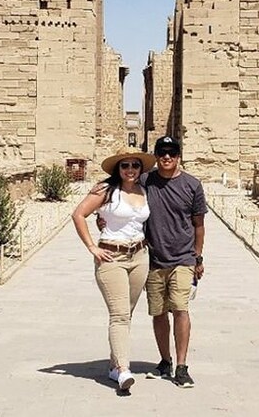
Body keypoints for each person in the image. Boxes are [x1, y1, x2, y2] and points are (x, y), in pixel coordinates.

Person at [71, 146, 156, 393]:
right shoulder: (105, 190)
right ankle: (123, 371)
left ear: (141, 168)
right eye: (125, 165)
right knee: (118, 315)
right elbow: (78, 214)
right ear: (118, 168)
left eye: (135, 165)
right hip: (111, 257)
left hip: (139, 256)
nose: (130, 169)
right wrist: (91, 247)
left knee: (126, 314)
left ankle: (113, 365)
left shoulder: (144, 190)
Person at [142, 136, 207, 388]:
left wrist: (198, 257)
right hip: (155, 258)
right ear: (156, 155)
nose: (166, 157)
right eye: (162, 152)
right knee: (158, 313)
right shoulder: (146, 180)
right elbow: (122, 193)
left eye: (171, 153)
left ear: (178, 156)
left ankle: (181, 366)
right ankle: (165, 361)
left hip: (183, 258)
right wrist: (102, 217)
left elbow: (198, 225)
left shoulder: (192, 184)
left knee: (180, 309)